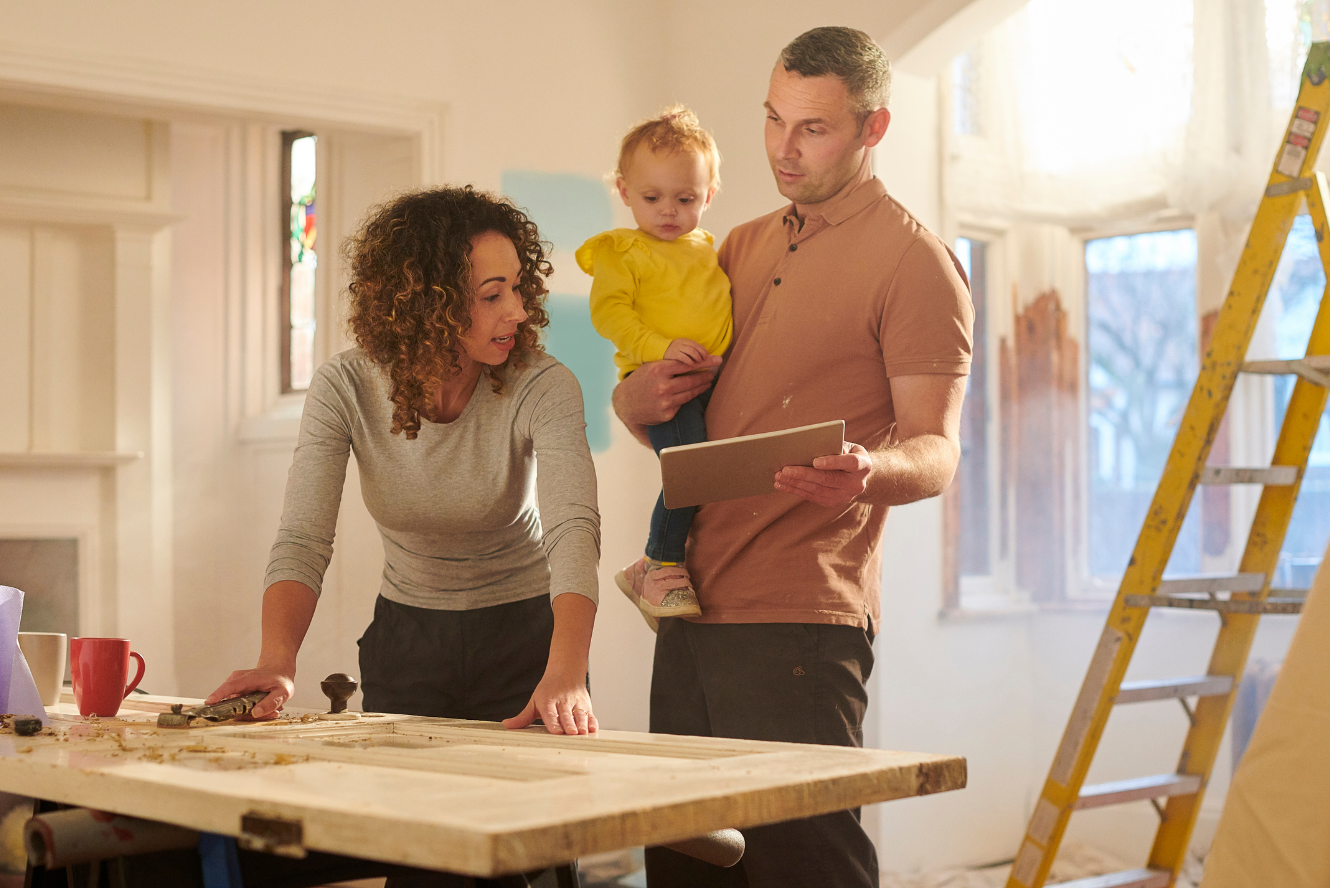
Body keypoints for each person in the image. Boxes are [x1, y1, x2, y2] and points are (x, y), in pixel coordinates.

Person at [612, 27, 973, 888]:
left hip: (803, 616)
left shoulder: (916, 264)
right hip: (687, 604)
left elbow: (938, 449)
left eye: (811, 128)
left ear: (872, 128)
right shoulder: (733, 245)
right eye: (773, 120)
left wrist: (870, 471)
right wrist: (635, 398)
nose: (782, 148)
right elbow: (668, 413)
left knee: (804, 867)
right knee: (686, 865)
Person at [207, 186, 601, 747]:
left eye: (517, 287)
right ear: (428, 304)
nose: (518, 309)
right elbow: (303, 537)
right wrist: (278, 660)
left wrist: (567, 672)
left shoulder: (544, 384)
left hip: (530, 637)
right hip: (407, 639)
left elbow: (572, 530)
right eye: (493, 295)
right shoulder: (344, 387)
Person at [575, 106, 733, 629]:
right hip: (659, 378)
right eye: (651, 197)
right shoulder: (622, 249)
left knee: (712, 474)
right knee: (690, 470)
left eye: (685, 199)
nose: (668, 210)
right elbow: (610, 315)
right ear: (623, 191)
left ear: (709, 195)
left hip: (710, 379)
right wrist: (658, 347)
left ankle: (651, 566)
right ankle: (659, 563)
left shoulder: (708, 247)